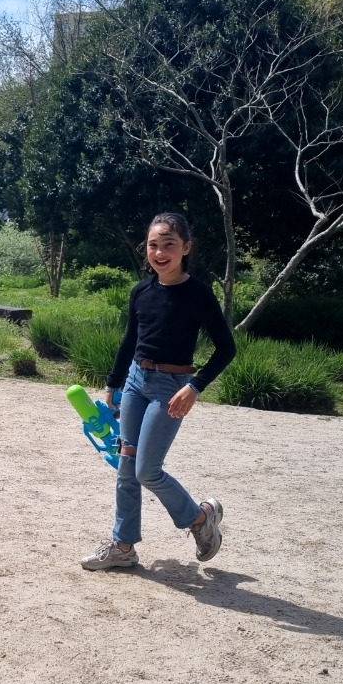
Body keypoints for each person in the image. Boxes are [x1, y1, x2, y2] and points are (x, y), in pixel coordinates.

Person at [81, 212, 237, 570]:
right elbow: (130, 341)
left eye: (169, 244)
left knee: (147, 471)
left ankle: (200, 518)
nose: (160, 253)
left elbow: (226, 349)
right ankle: (123, 546)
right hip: (136, 382)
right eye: (153, 245)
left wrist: (195, 387)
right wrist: (114, 384)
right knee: (126, 466)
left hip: (171, 388)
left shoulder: (198, 294)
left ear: (186, 247)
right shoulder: (141, 291)